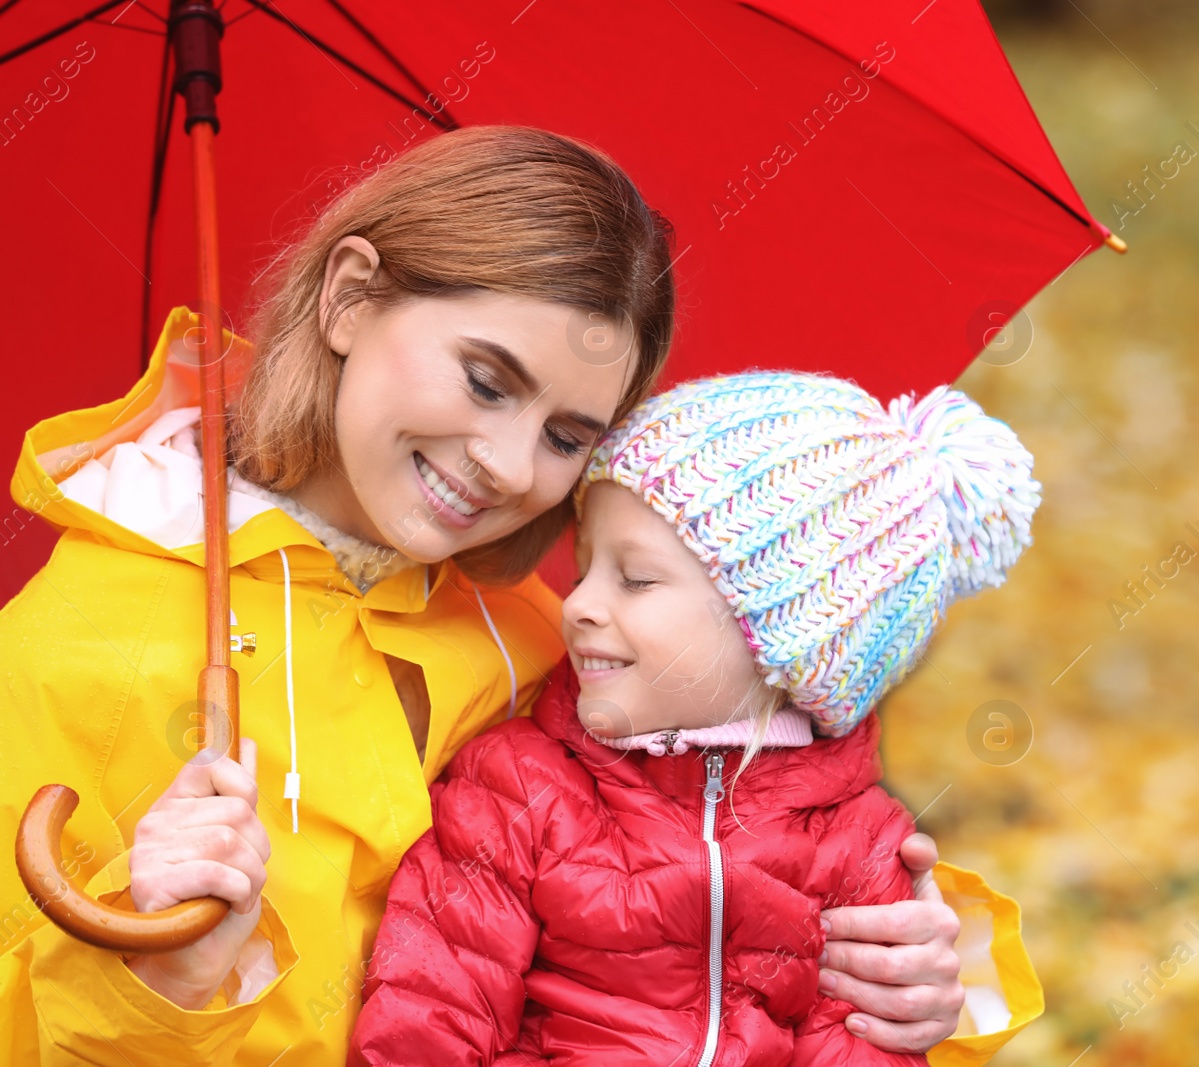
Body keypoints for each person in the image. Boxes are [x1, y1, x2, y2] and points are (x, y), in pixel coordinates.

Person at [0, 126, 1041, 1064]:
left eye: (565, 436)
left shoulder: (543, 643)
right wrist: (162, 974)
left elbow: (705, 915)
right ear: (351, 296)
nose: (504, 464)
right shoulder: (82, 646)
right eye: (487, 380)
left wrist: (905, 968)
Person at [349, 371, 1043, 1065]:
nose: (577, 604)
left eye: (636, 578)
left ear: (782, 639)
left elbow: (862, 1046)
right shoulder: (518, 788)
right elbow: (429, 1013)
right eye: (584, 569)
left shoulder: (857, 844)